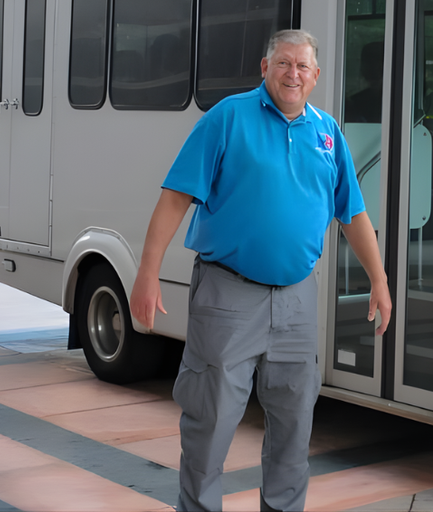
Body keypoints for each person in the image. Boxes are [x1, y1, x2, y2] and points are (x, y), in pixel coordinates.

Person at [129, 29, 391, 512]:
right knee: (210, 423)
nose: (294, 73)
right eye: (284, 64)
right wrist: (148, 272)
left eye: (303, 66)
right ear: (265, 68)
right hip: (228, 296)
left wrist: (379, 280)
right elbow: (175, 198)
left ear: (316, 76)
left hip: (297, 299)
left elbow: (352, 214)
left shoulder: (327, 134)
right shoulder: (229, 118)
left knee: (294, 428)